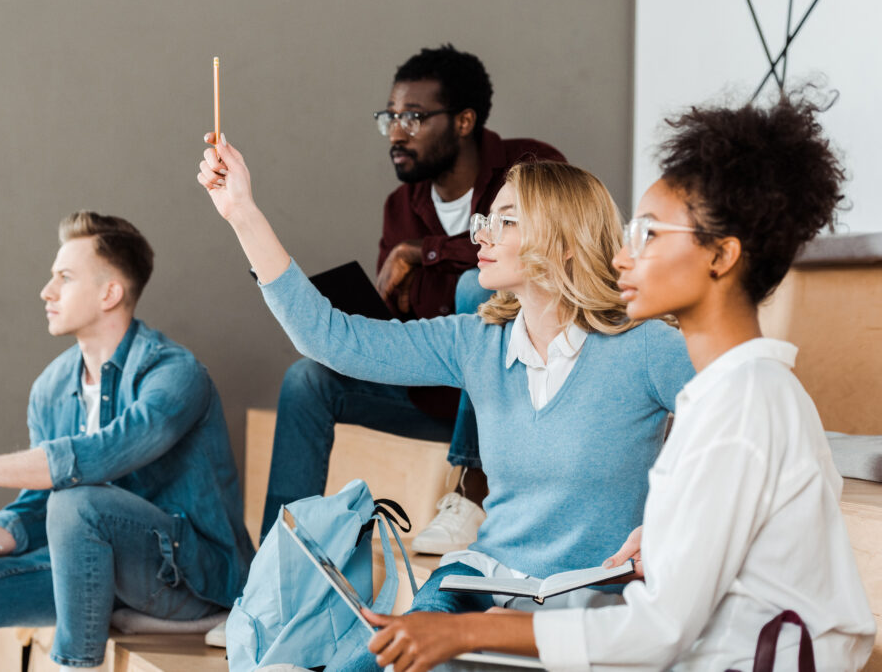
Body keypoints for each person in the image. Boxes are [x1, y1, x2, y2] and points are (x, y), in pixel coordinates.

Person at [361, 96, 878, 670]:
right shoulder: (729, 393)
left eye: (650, 235)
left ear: (721, 256)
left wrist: (464, 634)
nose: (622, 257)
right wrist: (666, 536)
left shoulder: (743, 405)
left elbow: (660, 629)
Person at [197, 132, 693, 670]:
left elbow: (728, 433)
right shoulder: (476, 341)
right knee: (372, 664)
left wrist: (669, 521)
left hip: (587, 600)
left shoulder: (646, 347)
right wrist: (242, 212)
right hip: (477, 582)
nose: (483, 234)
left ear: (564, 240)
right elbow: (331, 338)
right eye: (487, 219)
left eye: (506, 220)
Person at [0, 212, 255, 672]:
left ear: (110, 292)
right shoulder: (50, 387)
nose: (46, 292)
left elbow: (98, 456)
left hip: (185, 583)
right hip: (85, 574)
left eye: (64, 278)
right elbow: (34, 508)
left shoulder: (176, 375)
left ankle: (74, 666)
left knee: (77, 502)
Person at [262, 44, 567, 554]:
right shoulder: (401, 204)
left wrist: (425, 250)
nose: (397, 132)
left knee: (476, 288)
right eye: (391, 117)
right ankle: (279, 566)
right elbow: (406, 317)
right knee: (307, 379)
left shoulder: (531, 168)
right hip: (437, 391)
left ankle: (471, 494)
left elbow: (554, 255)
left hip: (515, 391)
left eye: (414, 117)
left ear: (464, 121)